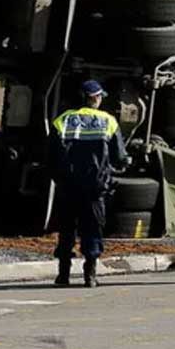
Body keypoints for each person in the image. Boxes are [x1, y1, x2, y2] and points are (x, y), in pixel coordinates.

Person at [49, 79, 128, 288]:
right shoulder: (108, 121)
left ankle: (63, 273)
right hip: (95, 187)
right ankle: (90, 274)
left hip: (68, 186)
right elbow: (119, 156)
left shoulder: (62, 120)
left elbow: (51, 154)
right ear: (95, 98)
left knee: (67, 229)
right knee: (92, 229)